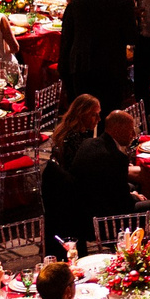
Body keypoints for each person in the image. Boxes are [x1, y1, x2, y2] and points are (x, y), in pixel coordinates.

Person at [67, 107, 150, 246]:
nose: (133, 135)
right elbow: (124, 203)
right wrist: (134, 196)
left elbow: (107, 184)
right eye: (130, 130)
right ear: (117, 130)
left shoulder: (89, 143)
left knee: (134, 186)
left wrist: (131, 192)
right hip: (108, 223)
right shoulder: (116, 157)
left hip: (84, 214)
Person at [59, 0, 138, 111]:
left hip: (81, 66)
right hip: (110, 69)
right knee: (108, 113)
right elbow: (131, 37)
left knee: (83, 114)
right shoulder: (123, 2)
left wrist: (64, 69)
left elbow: (67, 37)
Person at [40, 94, 102, 250]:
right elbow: (84, 173)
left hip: (67, 195)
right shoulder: (74, 140)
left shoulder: (68, 132)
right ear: (82, 114)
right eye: (94, 115)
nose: (99, 119)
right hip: (77, 198)